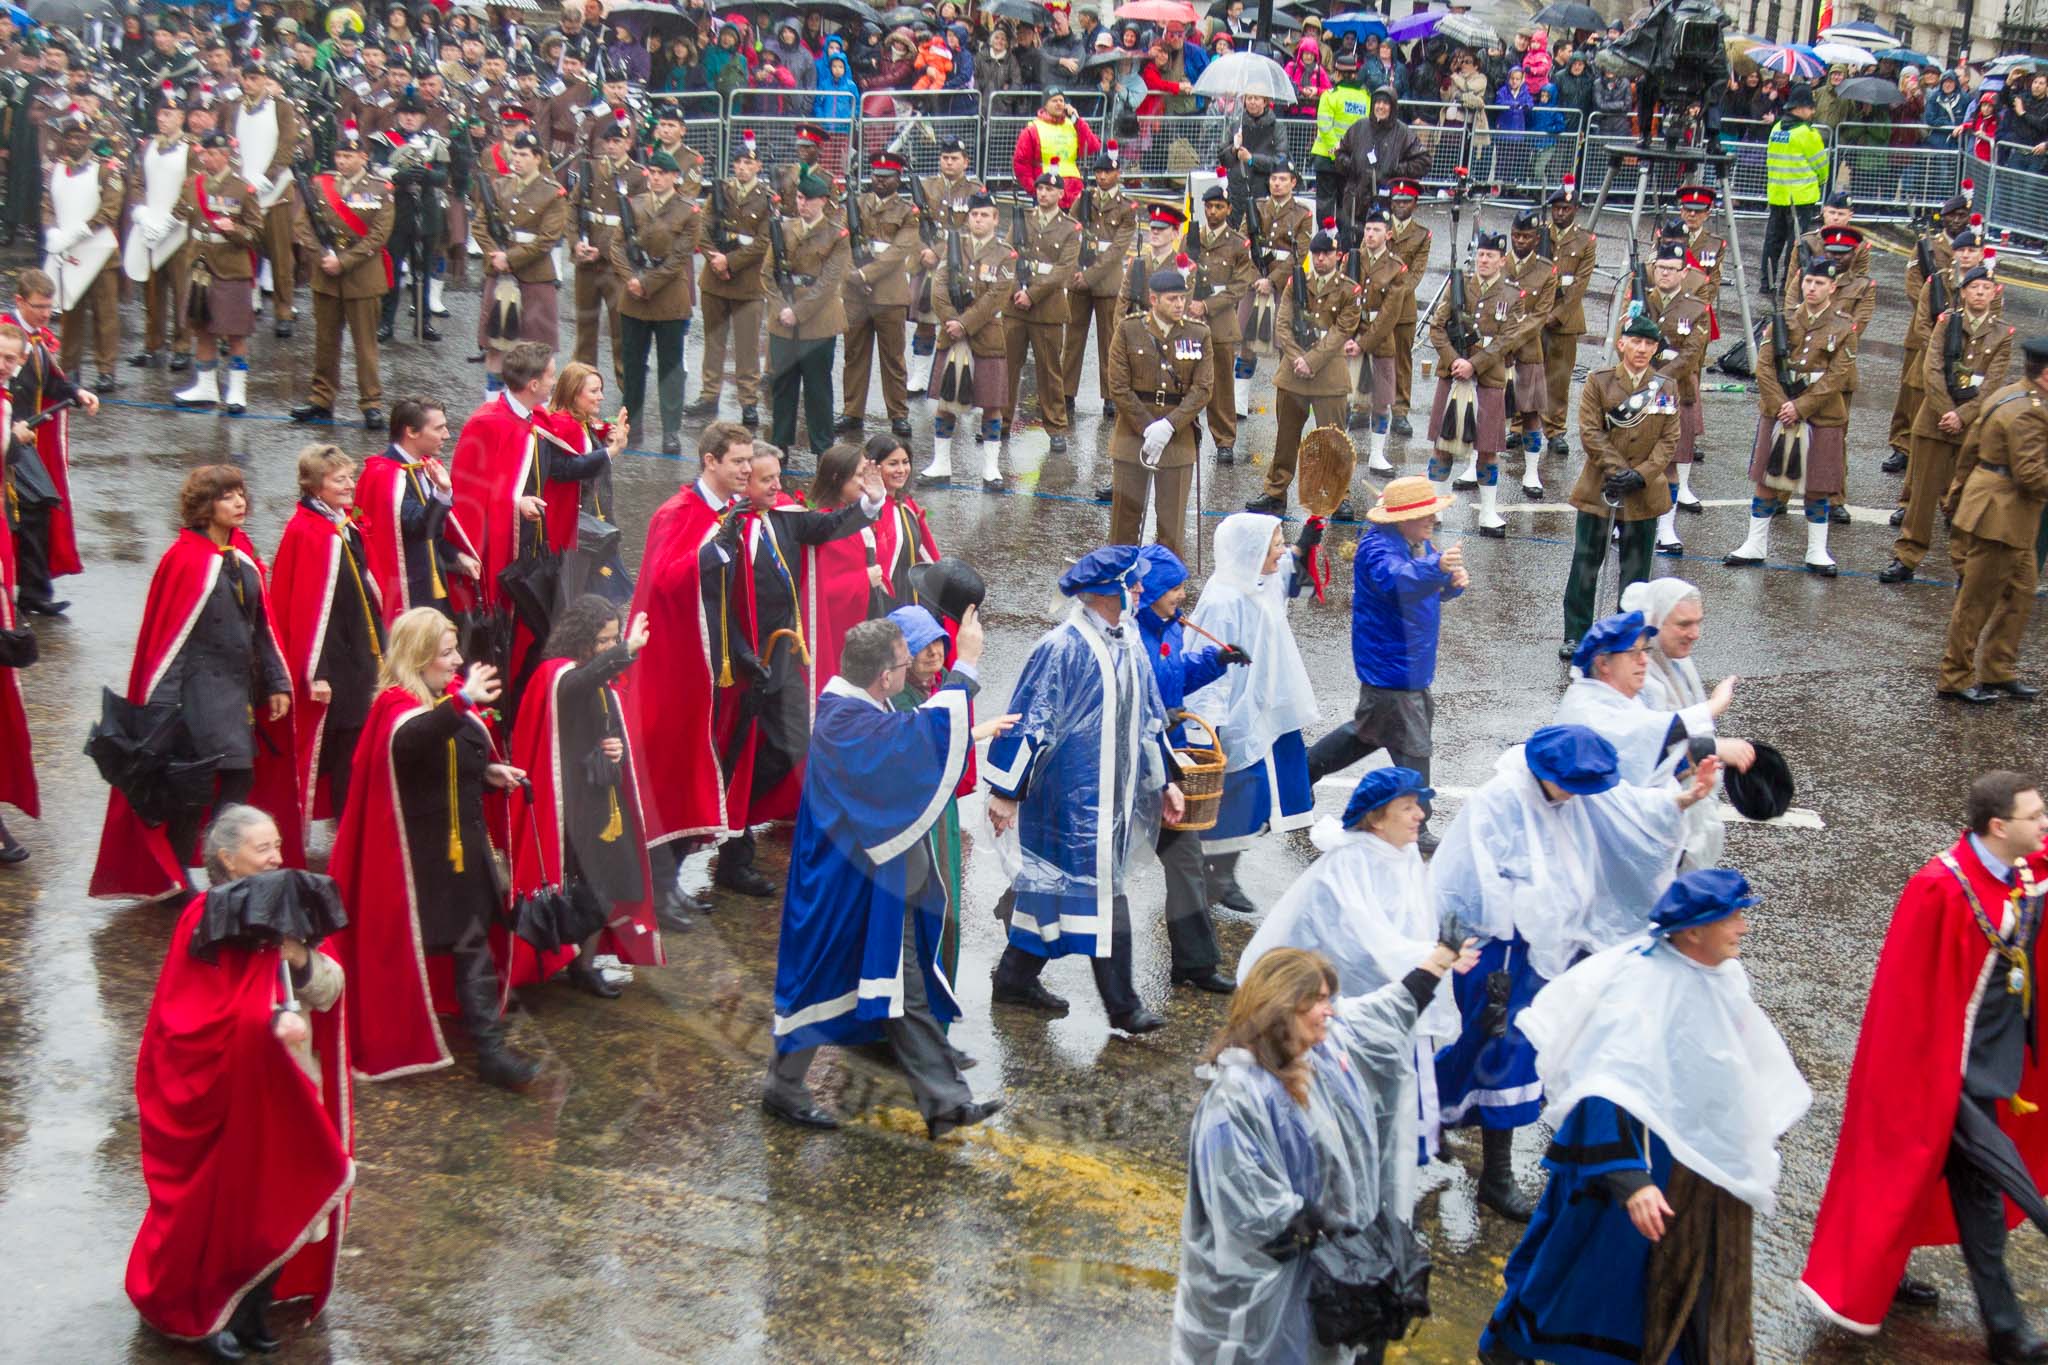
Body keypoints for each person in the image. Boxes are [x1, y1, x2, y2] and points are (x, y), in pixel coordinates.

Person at [1479, 870, 1811, 1365]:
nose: (1743, 926)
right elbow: (1602, 1086)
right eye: (1733, 917)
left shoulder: (1720, 974)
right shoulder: (1642, 992)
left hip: (1692, 1172)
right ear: (1693, 932)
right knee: (1583, 1276)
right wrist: (1631, 1182)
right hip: (1633, 1176)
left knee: (1678, 1288)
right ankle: (1509, 1348)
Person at [1801, 772, 2048, 1361]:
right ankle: (2007, 1330)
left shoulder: (2024, 871)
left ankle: (1882, 1278)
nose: (2043, 825)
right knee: (1986, 1184)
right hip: (1940, 1078)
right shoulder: (1939, 887)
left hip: (1991, 1068)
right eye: (2034, 816)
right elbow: (1906, 1001)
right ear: (1998, 826)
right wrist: (1924, 1085)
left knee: (1927, 1181)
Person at [1432, 724, 1717, 1222]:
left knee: (1503, 1048)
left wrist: (1684, 800)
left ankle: (1431, 1107)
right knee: (1507, 1051)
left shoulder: (1580, 790)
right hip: (1500, 948)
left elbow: (1631, 810)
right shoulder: (1500, 800)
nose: (1584, 799)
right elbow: (1467, 880)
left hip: (1551, 944)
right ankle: (1495, 1175)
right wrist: (1517, 917)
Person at [764, 613, 1010, 1137]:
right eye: (904, 663)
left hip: (871, 881)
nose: (911, 672)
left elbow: (909, 732)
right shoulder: (848, 722)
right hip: (845, 887)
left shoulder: (857, 709)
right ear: (884, 678)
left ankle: (944, 1104)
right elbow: (915, 739)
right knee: (825, 981)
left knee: (899, 986)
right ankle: (783, 1088)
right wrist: (965, 668)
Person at [1172, 941, 1476, 1363]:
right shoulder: (1236, 1100)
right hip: (1261, 1302)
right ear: (1279, 1008)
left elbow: (1383, 1013)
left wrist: (1440, 958)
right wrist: (1339, 1236)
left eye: (1328, 998)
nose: (1330, 1010)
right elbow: (1250, 1216)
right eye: (1316, 1001)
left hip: (1317, 1282)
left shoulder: (1324, 1052)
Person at [125, 807, 353, 1365]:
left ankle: (255, 1307)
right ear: (226, 859)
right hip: (222, 1092)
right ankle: (207, 1313)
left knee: (274, 1194)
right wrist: (262, 1023)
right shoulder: (203, 916)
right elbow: (189, 1016)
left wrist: (298, 957)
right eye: (262, 849)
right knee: (219, 1204)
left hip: (284, 1086)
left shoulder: (292, 905)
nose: (277, 857)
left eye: (278, 845)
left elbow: (332, 987)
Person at [327, 606, 540, 1090]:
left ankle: (490, 1049)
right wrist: (463, 700)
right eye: (446, 653)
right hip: (413, 864)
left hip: (464, 856)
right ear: (419, 656)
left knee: (472, 948)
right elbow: (413, 743)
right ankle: (393, 1034)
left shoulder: (445, 701)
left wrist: (489, 773)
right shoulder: (397, 707)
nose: (457, 659)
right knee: (406, 955)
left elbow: (453, 758)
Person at [1240, 767, 1471, 1202]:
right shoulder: (1349, 865)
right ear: (1376, 818)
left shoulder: (1399, 854)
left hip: (1390, 1001)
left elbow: (1409, 925)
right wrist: (1433, 959)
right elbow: (1366, 945)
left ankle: (1390, 1169)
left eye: (1418, 805)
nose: (1420, 815)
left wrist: (1433, 956)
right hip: (1346, 1012)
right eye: (1408, 807)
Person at [987, 545, 1184, 1035]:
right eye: (1132, 582)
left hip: (1108, 801)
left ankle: (1014, 977)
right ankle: (1123, 1005)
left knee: (1049, 893)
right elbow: (1029, 719)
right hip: (1065, 800)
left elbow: (1150, 721)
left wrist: (1167, 782)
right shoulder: (1062, 648)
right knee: (1100, 892)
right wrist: (1006, 791)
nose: (1141, 589)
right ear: (1107, 592)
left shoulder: (1128, 641)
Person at [90, 466, 298, 901]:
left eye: (241, 494)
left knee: (235, 779)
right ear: (206, 506)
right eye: (228, 496)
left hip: (235, 697)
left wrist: (277, 681)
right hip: (196, 697)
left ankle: (211, 869)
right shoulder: (184, 560)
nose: (240, 503)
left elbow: (262, 628)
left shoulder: (242, 558)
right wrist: (162, 713)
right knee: (194, 790)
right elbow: (171, 643)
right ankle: (189, 876)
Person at [714, 444, 887, 889]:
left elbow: (832, 523)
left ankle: (735, 826)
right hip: (740, 664)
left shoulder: (785, 517)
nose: (778, 486)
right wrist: (739, 653)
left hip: (784, 659)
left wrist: (871, 500)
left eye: (777, 477)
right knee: (734, 754)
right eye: (767, 479)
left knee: (787, 747)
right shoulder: (727, 530)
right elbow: (716, 601)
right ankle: (730, 849)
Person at [625, 421, 760, 922]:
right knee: (672, 773)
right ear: (710, 460)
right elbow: (663, 581)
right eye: (738, 461)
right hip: (678, 664)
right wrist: (714, 546)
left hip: (717, 667)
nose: (746, 469)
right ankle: (656, 891)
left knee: (704, 771)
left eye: (749, 460)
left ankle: (673, 881)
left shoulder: (730, 511)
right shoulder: (678, 512)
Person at [509, 595, 665, 991]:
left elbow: (608, 726)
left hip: (601, 798)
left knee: (608, 886)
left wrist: (616, 747)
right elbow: (578, 685)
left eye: (614, 639)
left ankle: (586, 964)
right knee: (586, 887)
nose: (609, 648)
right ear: (580, 639)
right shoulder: (558, 675)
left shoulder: (599, 681)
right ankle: (572, 962)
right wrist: (626, 651)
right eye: (602, 641)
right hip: (569, 805)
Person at [1304, 477, 1465, 854]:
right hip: (1392, 661)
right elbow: (1397, 582)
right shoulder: (1377, 548)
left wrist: (1452, 582)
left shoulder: (1414, 541)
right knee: (1414, 741)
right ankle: (1419, 819)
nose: (1433, 521)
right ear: (1403, 518)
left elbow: (1425, 586)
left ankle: (1303, 769)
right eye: (1426, 515)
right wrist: (1437, 567)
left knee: (1369, 731)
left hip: (1407, 659)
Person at [1185, 513, 1317, 917]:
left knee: (1263, 801)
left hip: (1268, 706)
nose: (1281, 550)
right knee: (1241, 800)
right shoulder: (1223, 601)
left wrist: (1306, 542)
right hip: (1237, 714)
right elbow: (1206, 670)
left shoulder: (1262, 579)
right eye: (1275, 543)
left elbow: (1292, 574)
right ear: (1252, 551)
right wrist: (1209, 726)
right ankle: (1212, 876)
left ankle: (1221, 872)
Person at [450, 341, 604, 683]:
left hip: (532, 539)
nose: (554, 383)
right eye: (550, 376)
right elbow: (468, 490)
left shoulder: (535, 418)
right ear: (533, 384)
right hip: (501, 543)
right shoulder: (486, 423)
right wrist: (514, 502)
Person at [1134, 545, 1243, 994]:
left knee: (1186, 863)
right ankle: (1020, 962)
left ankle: (1195, 965)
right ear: (1153, 590)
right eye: (1175, 587)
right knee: (1096, 864)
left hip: (1167, 765)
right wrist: (1162, 715)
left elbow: (1173, 677)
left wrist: (1216, 662)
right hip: (1134, 766)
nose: (1182, 594)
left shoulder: (1171, 629)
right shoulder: (1128, 637)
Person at [268, 445, 387, 840]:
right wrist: (315, 672)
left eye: (350, 477)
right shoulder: (309, 531)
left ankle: (349, 826)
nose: (350, 486)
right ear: (316, 485)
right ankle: (348, 833)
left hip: (357, 657)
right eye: (340, 480)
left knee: (352, 744)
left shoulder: (340, 526)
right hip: (332, 664)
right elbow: (309, 608)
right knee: (339, 748)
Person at [1723, 258, 1857, 576]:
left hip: (1821, 413)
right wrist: (1782, 403)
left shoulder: (1842, 327)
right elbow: (1764, 367)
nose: (1812, 288)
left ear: (1832, 287)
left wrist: (1802, 407)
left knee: (1819, 483)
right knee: (1767, 479)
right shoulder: (1782, 322)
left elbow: (1838, 375)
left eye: (1819, 283)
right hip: (1779, 409)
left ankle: (1817, 550)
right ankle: (1755, 544)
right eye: (1808, 282)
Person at [1880, 265, 2012, 585]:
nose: (1980, 293)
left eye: (1986, 287)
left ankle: (1964, 564)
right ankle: (1907, 556)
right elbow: (1932, 371)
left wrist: (1963, 416)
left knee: (1965, 499)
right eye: (1974, 287)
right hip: (1935, 421)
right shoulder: (1946, 323)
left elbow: (1993, 385)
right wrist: (1946, 412)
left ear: (1994, 293)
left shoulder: (2002, 334)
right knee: (1922, 495)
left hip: (1972, 426)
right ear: (1963, 292)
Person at [1937, 339, 2048, 705]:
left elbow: (1969, 450)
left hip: (2009, 518)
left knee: (2020, 594)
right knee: (1976, 601)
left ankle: (1998, 669)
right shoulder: (2029, 412)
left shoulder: (2011, 394)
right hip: (1998, 518)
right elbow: (2031, 475)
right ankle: (1955, 677)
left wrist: (1958, 493)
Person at [1560, 314, 1677, 658]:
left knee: (1636, 570)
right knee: (1585, 563)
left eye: (1649, 344)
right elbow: (1590, 432)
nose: (1641, 349)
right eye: (1635, 342)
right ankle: (1576, 633)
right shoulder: (1600, 382)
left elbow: (1669, 439)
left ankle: (1627, 632)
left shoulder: (1665, 387)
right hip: (1601, 486)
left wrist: (1640, 474)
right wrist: (1617, 471)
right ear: (1622, 343)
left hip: (1644, 491)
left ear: (1655, 349)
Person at [1617, 580, 1755, 871]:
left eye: (1698, 622)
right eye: (1684, 624)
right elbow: (1647, 749)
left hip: (1681, 818)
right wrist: (1714, 741)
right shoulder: (1638, 674)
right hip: (1650, 829)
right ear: (1654, 622)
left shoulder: (1673, 659)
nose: (1695, 634)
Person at [1244, 221, 1360, 517]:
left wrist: (1312, 360)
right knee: (1285, 437)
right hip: (1294, 372)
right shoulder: (1297, 282)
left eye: (1327, 254)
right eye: (1317, 253)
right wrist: (1299, 358)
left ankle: (1339, 495)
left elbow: (1342, 330)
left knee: (1333, 440)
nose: (1321, 259)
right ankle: (1275, 490)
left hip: (1328, 374)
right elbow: (1283, 325)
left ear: (1338, 256)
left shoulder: (1348, 289)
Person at [289, 118, 395, 430]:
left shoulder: (381, 189)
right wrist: (321, 256)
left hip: (361, 275)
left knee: (365, 345)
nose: (343, 161)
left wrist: (344, 261)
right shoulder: (321, 185)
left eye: (349, 156)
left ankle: (371, 401)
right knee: (325, 342)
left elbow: (379, 235)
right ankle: (321, 398)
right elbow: (302, 225)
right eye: (339, 156)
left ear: (364, 157)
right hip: (325, 275)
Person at [1106, 255, 1213, 560]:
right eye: (1172, 299)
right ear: (1153, 300)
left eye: (1182, 298)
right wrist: (1146, 426)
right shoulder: (1129, 329)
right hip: (1132, 434)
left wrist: (1168, 426)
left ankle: (1166, 589)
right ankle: (1119, 584)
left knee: (1171, 525)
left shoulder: (1198, 334)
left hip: (1178, 438)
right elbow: (1118, 386)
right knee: (1124, 522)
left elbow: (1203, 388)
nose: (1180, 304)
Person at [5, 270, 97, 617]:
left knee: (36, 508)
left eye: (49, 307)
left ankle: (34, 591)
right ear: (19, 302)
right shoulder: (5, 337)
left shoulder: (39, 339)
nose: (46, 314)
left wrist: (77, 392)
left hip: (23, 439)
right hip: (8, 433)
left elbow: (54, 382)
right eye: (39, 307)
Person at [1429, 231, 1526, 538]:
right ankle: (1435, 507)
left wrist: (1475, 364)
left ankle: (1487, 511)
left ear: (1502, 260)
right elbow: (1437, 327)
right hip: (1453, 375)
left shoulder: (1512, 296)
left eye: (1490, 256)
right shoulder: (1459, 286)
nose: (1484, 260)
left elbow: (1508, 339)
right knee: (1442, 446)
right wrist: (1455, 359)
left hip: (1488, 380)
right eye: (1481, 254)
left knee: (1487, 448)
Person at [609, 147, 699, 457]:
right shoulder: (633, 205)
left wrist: (644, 283)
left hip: (669, 299)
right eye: (654, 173)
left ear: (675, 177)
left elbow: (678, 259)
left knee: (670, 369)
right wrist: (629, 278)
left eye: (663, 174)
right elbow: (616, 246)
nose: (656, 178)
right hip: (633, 299)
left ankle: (671, 430)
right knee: (633, 366)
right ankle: (630, 427)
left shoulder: (688, 211)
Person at [356, 398, 481, 623]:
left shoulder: (424, 466)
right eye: (439, 428)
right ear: (411, 432)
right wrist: (442, 492)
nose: (447, 435)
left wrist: (456, 556)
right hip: (406, 592)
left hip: (432, 587)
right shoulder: (384, 476)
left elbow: (436, 533)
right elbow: (419, 527)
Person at [169, 131, 264, 414]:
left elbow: (257, 233)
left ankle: (237, 389)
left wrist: (234, 230)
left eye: (213, 154)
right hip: (200, 264)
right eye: (205, 153)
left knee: (235, 332)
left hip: (231, 266)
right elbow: (179, 213)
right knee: (203, 328)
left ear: (225, 156)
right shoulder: (192, 184)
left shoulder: (242, 189)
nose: (207, 158)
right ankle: (206, 385)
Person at [924, 190, 1013, 489]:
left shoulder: (1005, 254)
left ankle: (991, 468)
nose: (978, 219)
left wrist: (964, 324)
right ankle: (941, 464)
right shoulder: (953, 247)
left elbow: (997, 297)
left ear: (995, 219)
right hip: (951, 336)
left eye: (984, 215)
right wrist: (952, 322)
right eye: (974, 214)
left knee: (991, 403)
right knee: (946, 401)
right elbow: (938, 288)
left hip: (986, 338)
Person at [472, 118, 568, 394]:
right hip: (499, 277)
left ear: (538, 158)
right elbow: (479, 225)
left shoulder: (552, 193)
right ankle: (493, 407)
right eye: (514, 153)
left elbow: (546, 240)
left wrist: (509, 258)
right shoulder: (499, 186)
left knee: (538, 351)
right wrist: (495, 255)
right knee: (496, 348)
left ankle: (539, 414)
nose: (517, 159)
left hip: (534, 278)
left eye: (524, 155)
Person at [688, 134, 774, 427]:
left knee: (747, 346)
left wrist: (731, 262)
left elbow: (764, 241)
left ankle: (748, 401)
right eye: (737, 162)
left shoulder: (766, 198)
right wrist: (715, 258)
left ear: (758, 165)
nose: (741, 167)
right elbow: (702, 229)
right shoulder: (720, 191)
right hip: (715, 279)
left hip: (747, 283)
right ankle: (709, 394)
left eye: (747, 162)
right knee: (714, 341)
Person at [766, 168, 851, 461]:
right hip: (782, 320)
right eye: (800, 197)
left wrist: (797, 312)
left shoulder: (837, 235)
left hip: (818, 320)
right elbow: (768, 274)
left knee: (818, 387)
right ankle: (779, 444)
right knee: (783, 385)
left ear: (824, 201)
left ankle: (822, 447)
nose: (803, 204)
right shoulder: (783, 229)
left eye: (810, 199)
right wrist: (781, 309)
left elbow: (829, 282)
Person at [1634, 243, 1713, 556]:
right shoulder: (1641, 301)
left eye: (1672, 269)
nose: (1665, 273)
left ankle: (1666, 528)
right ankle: (1627, 522)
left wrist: (1659, 376)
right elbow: (1623, 341)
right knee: (1635, 457)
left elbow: (1692, 354)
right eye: (1661, 268)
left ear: (1684, 273)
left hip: (1675, 391)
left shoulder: (1695, 309)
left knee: (1669, 463)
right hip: (1638, 388)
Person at [837, 151, 920, 442]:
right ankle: (852, 411)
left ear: (898, 179)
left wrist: (864, 275)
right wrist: (851, 274)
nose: (880, 181)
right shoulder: (855, 205)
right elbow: (842, 242)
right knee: (854, 354)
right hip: (855, 295)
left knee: (893, 358)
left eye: (887, 177)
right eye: (876, 176)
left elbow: (899, 252)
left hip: (889, 296)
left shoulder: (908, 212)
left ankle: (898, 414)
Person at [44, 103, 124, 389]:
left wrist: (81, 230)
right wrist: (51, 231)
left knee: (106, 315)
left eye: (80, 137)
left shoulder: (105, 170)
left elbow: (111, 208)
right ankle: (69, 367)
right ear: (64, 140)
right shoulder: (55, 170)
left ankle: (106, 369)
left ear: (89, 138)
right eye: (70, 137)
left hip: (99, 251)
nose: (75, 142)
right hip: (68, 251)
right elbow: (47, 205)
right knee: (70, 313)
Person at [1003, 162, 1081, 454]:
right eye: (1040, 188)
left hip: (1047, 308)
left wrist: (1032, 295)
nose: (1044, 193)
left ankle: (1056, 427)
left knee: (1050, 372)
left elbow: (1063, 270)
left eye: (1050, 189)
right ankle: (1001, 420)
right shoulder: (1022, 219)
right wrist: (1016, 292)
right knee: (1009, 367)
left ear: (1061, 193)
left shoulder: (1070, 228)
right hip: (1015, 305)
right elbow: (1006, 257)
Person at [228, 58, 303, 338]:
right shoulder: (235, 107)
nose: (249, 83)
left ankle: (284, 310)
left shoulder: (281, 107)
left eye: (255, 78)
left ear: (265, 80)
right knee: (242, 252)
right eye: (245, 78)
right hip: (244, 191)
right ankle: (244, 304)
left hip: (275, 192)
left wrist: (269, 175)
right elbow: (229, 144)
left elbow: (287, 145)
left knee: (281, 256)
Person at [1059, 147, 1137, 418]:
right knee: (1073, 339)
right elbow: (1070, 231)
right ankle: (1066, 391)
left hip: (1106, 282)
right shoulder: (1084, 199)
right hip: (1079, 278)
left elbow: (1117, 250)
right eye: (1099, 172)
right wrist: (1072, 274)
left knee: (1109, 342)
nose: (1103, 177)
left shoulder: (1127, 208)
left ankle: (1110, 395)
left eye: (1108, 172)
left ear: (1118, 173)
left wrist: (1088, 276)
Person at [1186, 183, 1255, 465]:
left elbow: (1239, 286)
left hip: (1221, 320)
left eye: (1218, 207)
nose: (1212, 212)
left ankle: (1225, 440)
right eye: (1209, 206)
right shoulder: (1193, 238)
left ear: (1228, 209)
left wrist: (1206, 305)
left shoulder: (1238, 244)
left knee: (1221, 385)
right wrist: (1189, 303)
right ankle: (1186, 431)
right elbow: (1182, 271)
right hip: (1190, 317)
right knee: (1187, 378)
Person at [568, 108, 640, 374]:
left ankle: (626, 385)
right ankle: (582, 386)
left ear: (628, 144)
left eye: (618, 142)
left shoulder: (637, 176)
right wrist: (576, 243)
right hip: (586, 261)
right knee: (585, 328)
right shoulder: (591, 170)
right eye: (608, 142)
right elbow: (573, 209)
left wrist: (605, 250)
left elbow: (637, 223)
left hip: (616, 265)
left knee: (620, 329)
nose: (611, 146)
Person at [1762, 84, 1826, 296]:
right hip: (1801, 197)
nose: (1813, 112)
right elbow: (1821, 166)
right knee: (1797, 244)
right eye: (1810, 108)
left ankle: (1766, 282)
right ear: (1801, 108)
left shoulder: (1777, 129)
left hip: (1778, 195)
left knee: (1772, 242)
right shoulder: (1808, 134)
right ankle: (1788, 285)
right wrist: (1822, 180)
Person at [1385, 178, 1431, 436]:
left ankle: (1400, 411)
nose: (1400, 205)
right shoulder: (1379, 226)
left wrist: (1395, 292)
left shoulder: (1422, 235)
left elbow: (1416, 273)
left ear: (1415, 204)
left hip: (1403, 306)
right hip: (1377, 304)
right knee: (1371, 357)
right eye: (1397, 201)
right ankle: (1363, 405)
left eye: (1406, 201)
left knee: (1402, 360)